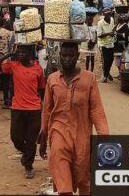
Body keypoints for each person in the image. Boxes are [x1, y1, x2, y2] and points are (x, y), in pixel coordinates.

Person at [38, 41, 109, 195]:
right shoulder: (52, 79)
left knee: (83, 175)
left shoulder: (89, 78)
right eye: (64, 55)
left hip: (81, 135)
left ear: (77, 56)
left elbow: (96, 109)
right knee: (61, 173)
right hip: (58, 133)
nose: (67, 59)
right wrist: (43, 135)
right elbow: (47, 109)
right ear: (59, 56)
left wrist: (104, 135)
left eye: (71, 55)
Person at [0, 44, 45, 179]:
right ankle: (27, 154)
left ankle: (28, 166)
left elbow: (42, 89)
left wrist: (44, 105)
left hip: (34, 109)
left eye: (23, 52)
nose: (20, 54)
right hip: (17, 108)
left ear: (30, 54)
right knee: (16, 138)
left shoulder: (38, 69)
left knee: (31, 139)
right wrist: (9, 54)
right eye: (19, 52)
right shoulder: (13, 66)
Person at [97, 7, 116, 82]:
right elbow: (99, 35)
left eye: (109, 13)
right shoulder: (100, 23)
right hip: (103, 44)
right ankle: (105, 76)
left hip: (111, 43)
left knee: (111, 59)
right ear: (104, 14)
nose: (108, 15)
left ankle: (107, 73)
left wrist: (113, 33)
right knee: (106, 60)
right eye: (106, 14)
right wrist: (108, 34)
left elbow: (112, 29)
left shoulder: (112, 20)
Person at [113, 13, 129, 78]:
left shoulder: (125, 26)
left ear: (122, 19)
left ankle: (122, 74)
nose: (117, 19)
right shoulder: (117, 25)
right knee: (117, 61)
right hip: (116, 45)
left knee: (121, 60)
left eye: (118, 18)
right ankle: (120, 73)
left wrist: (117, 34)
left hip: (122, 46)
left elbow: (126, 35)